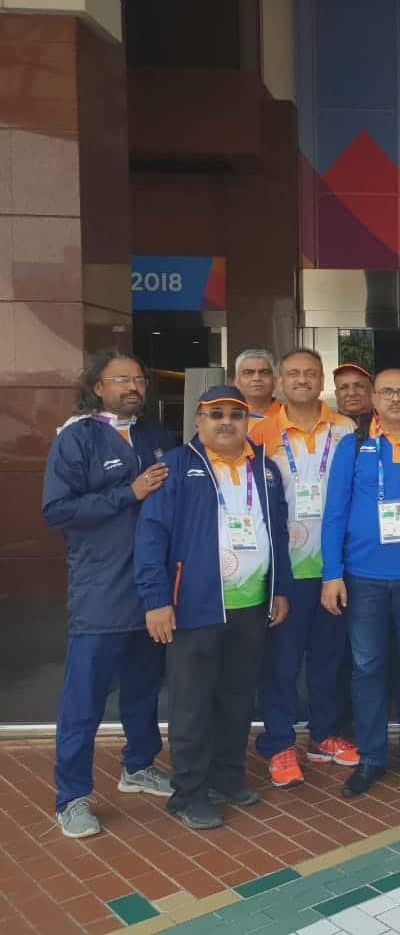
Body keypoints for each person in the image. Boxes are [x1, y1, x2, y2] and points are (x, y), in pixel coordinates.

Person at [135, 387, 292, 830]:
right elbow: (151, 536)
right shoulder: (175, 467)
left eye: (235, 415)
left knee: (237, 698)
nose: (226, 422)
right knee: (192, 705)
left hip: (251, 605)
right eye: (216, 414)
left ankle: (227, 777)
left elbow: (277, 532)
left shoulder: (265, 468)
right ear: (198, 421)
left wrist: (279, 589)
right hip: (194, 607)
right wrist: (156, 600)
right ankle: (188, 793)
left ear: (247, 422)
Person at [42, 349, 176, 838]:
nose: (133, 387)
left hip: (152, 591)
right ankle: (72, 797)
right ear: (97, 387)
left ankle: (138, 765)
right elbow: (57, 511)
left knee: (143, 688)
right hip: (101, 591)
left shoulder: (157, 437)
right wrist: (128, 493)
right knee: (84, 700)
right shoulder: (77, 438)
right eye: (122, 379)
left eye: (139, 379)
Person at [320, 368, 400, 796]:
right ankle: (372, 757)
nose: (395, 399)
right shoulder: (353, 445)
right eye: (387, 392)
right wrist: (332, 574)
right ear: (374, 399)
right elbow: (334, 513)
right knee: (367, 668)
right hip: (363, 578)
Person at [249, 348, 360, 789]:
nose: (302, 380)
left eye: (310, 373)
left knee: (328, 659)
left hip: (334, 567)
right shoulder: (260, 432)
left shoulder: (346, 429)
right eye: (293, 373)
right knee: (280, 662)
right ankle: (278, 743)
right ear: (280, 381)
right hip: (284, 569)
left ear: (321, 381)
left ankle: (323, 735)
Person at [233, 349, 282, 421]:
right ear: (236, 381)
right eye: (248, 373)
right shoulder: (226, 417)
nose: (257, 378)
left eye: (264, 372)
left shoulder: (290, 414)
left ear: (275, 381)